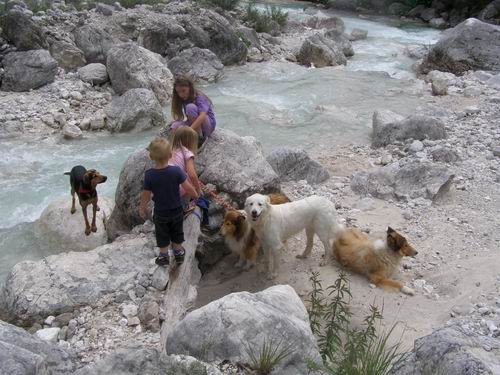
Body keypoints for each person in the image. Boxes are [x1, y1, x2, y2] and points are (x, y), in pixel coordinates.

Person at [139, 138, 198, 266]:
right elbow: (188, 186)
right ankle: (178, 253)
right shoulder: (176, 171)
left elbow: (146, 195)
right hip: (177, 210)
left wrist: (142, 208)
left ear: (151, 156)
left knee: (162, 234)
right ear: (170, 155)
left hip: (160, 212)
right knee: (177, 231)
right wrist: (195, 195)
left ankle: (164, 256)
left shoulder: (149, 175)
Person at [169, 76, 216, 140]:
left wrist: (189, 130)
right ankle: (177, 146)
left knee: (190, 107)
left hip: (207, 125)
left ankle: (199, 138)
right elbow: (183, 117)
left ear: (190, 88)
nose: (181, 94)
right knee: (174, 126)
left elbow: (202, 116)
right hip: (195, 125)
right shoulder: (183, 98)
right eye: (178, 92)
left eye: (183, 91)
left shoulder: (199, 97)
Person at [169, 126, 201, 213]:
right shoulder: (187, 153)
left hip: (163, 187)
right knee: (188, 179)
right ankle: (184, 206)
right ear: (190, 142)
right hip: (177, 189)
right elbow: (192, 175)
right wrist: (198, 190)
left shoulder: (169, 151)